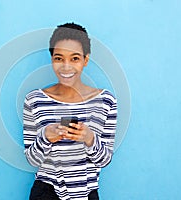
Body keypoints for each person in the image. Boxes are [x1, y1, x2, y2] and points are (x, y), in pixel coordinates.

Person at [23, 22, 117, 200]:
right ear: (52, 59)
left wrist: (89, 138)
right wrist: (46, 136)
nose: (66, 66)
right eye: (59, 58)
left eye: (74, 58)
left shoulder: (106, 101)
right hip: (46, 193)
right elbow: (32, 160)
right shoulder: (34, 101)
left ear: (85, 60)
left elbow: (104, 160)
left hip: (87, 194)